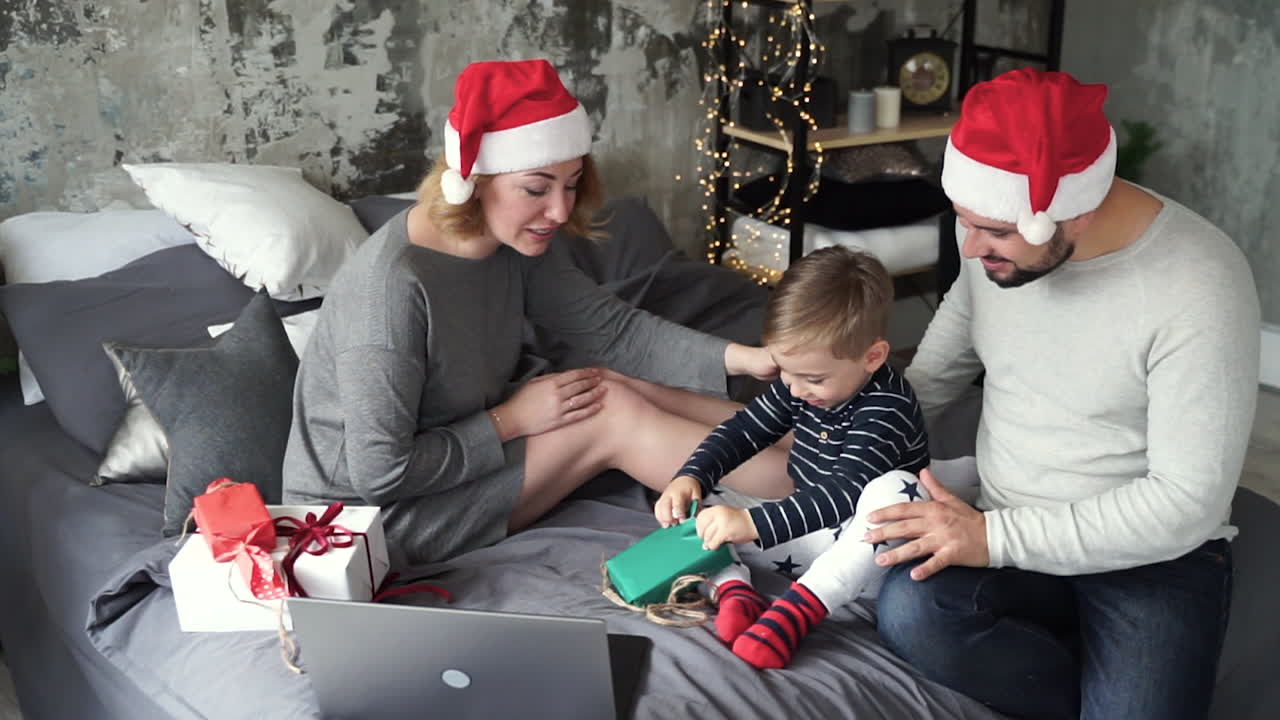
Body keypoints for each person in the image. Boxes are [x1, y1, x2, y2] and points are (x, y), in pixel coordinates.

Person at [282, 59, 793, 567]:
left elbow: (610, 331)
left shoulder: (512, 242)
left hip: (451, 460)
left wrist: (748, 360)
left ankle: (813, 443)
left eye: (570, 184)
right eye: (537, 188)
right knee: (608, 412)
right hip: (362, 524)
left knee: (602, 383)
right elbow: (380, 472)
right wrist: (510, 420)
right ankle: (808, 500)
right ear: (475, 179)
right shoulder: (391, 292)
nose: (561, 211)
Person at [865, 68, 1261, 720]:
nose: (969, 246)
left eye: (989, 229)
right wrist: (846, 435)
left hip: (1150, 558)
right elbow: (936, 376)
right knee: (911, 609)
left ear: (1068, 211)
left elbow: (1187, 504)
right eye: (963, 221)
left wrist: (992, 540)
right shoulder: (991, 246)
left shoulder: (1199, 284)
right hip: (1007, 524)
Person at [654, 246, 951, 670]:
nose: (794, 391)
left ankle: (797, 613)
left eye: (812, 379)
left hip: (872, 557)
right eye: (784, 372)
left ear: (873, 356)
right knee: (702, 506)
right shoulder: (800, 385)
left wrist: (754, 524)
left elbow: (844, 492)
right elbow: (745, 429)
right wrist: (692, 476)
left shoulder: (887, 405)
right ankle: (736, 591)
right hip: (816, 538)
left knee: (894, 490)